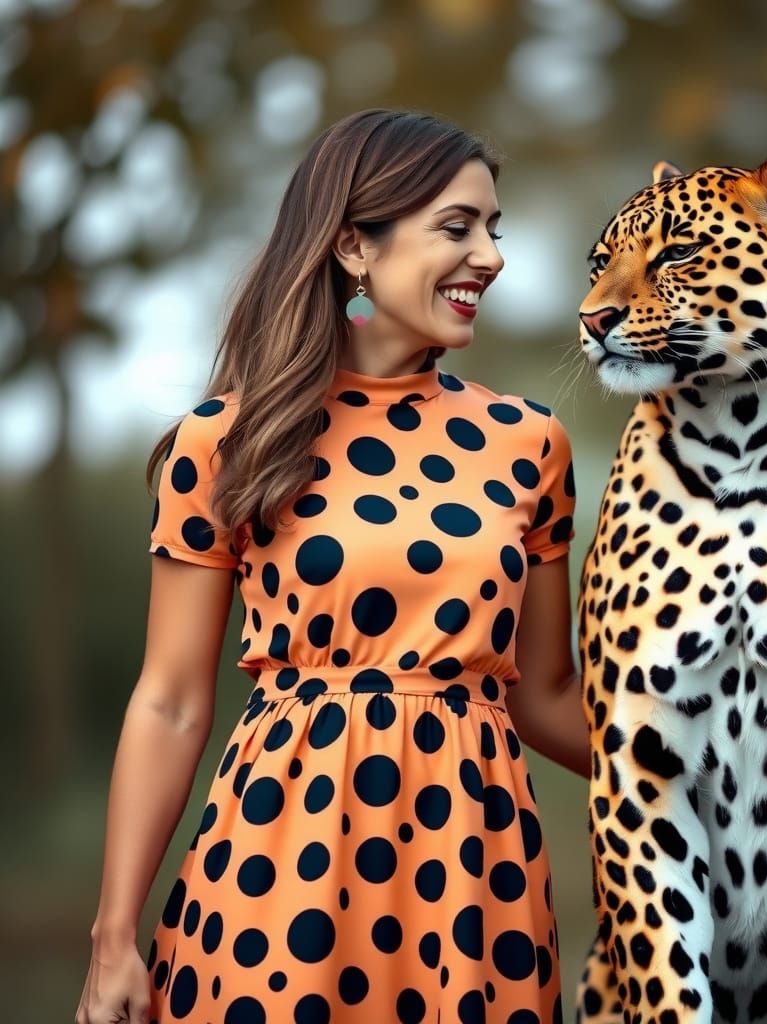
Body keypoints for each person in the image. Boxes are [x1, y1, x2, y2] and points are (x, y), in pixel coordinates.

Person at [76, 108, 590, 1024]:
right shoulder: (227, 440)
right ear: (356, 247)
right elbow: (170, 701)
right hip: (279, 875)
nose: (492, 257)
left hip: (477, 885)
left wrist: (716, 771)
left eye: (494, 230)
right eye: (457, 228)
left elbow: (547, 694)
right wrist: (115, 934)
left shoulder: (529, 444)